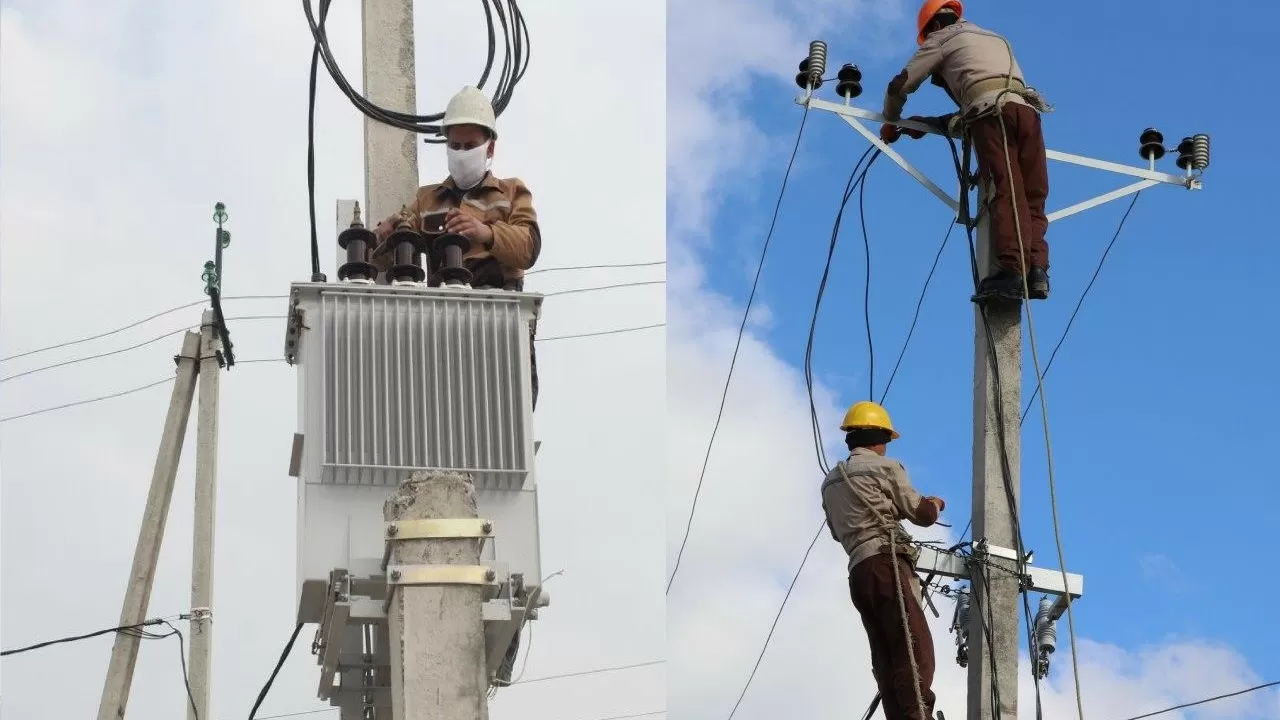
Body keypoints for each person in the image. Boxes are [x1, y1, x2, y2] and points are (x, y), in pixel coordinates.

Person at [369, 85, 543, 407]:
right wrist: (384, 236)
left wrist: (486, 233)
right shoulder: (427, 200)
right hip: (445, 330)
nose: (462, 152)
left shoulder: (511, 193)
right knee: (447, 415)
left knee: (506, 417)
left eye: (471, 145)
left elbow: (528, 248)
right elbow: (383, 262)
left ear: (490, 148)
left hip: (501, 325)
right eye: (456, 145)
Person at [877, 0, 1054, 302]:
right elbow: (978, 102)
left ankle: (1011, 273)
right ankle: (1037, 270)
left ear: (933, 26)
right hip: (1026, 112)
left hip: (992, 114)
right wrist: (927, 124)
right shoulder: (994, 38)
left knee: (1005, 187)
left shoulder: (941, 39)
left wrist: (891, 120)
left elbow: (900, 86)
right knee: (1032, 194)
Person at [820, 401, 946, 720]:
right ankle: (918, 714)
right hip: (885, 564)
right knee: (912, 644)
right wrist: (935, 502)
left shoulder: (831, 482)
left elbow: (837, 533)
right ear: (879, 439)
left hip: (858, 572)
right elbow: (923, 514)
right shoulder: (885, 468)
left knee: (885, 652)